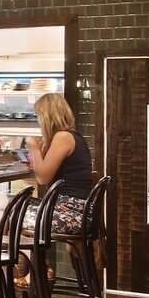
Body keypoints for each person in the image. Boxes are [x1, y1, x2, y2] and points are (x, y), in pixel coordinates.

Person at [22, 91, 93, 234]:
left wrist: (34, 148)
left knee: (13, 214)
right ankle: (17, 256)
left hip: (72, 213)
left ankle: (12, 256)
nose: (38, 121)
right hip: (76, 209)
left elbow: (43, 178)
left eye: (39, 117)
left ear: (47, 117)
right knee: (15, 208)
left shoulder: (63, 137)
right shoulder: (72, 136)